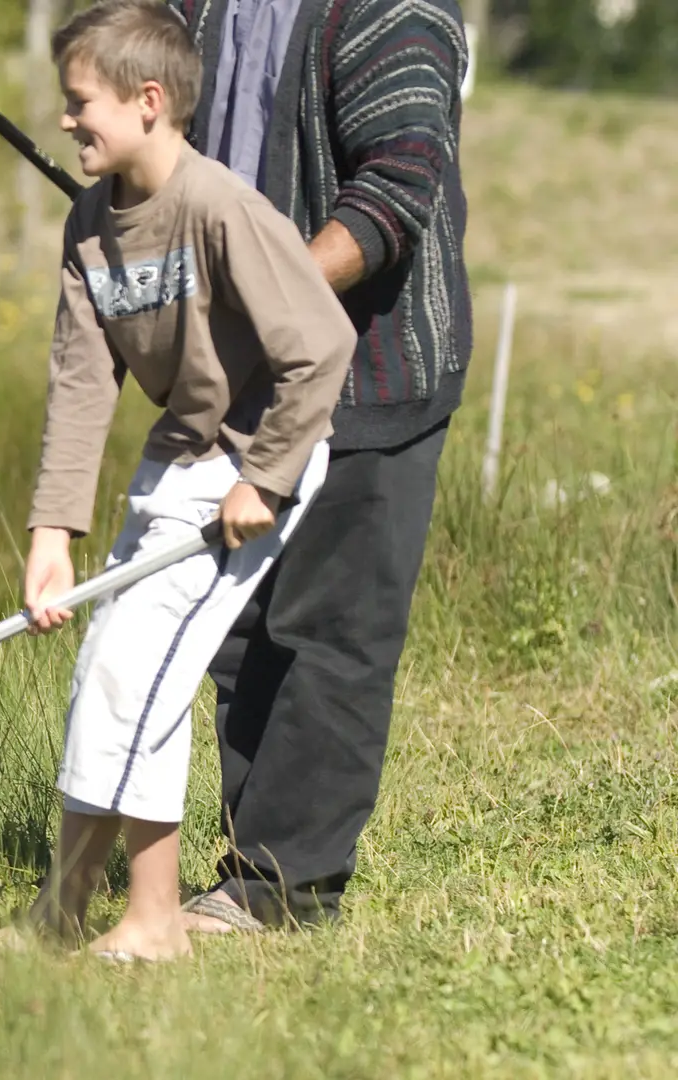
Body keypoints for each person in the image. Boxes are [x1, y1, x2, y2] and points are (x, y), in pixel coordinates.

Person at [11, 0, 357, 962]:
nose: (68, 119)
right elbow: (82, 385)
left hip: (255, 461)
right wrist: (52, 535)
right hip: (179, 458)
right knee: (102, 675)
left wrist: (269, 477)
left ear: (149, 100)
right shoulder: (90, 224)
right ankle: (62, 914)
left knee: (145, 676)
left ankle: (155, 924)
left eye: (81, 102)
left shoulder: (219, 207)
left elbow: (321, 346)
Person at [169, 0, 474, 935]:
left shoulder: (396, 11)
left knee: (330, 632)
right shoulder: (197, 7)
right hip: (243, 375)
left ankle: (286, 890)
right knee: (241, 633)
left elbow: (396, 188)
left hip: (372, 371)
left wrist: (272, 296)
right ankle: (255, 868)